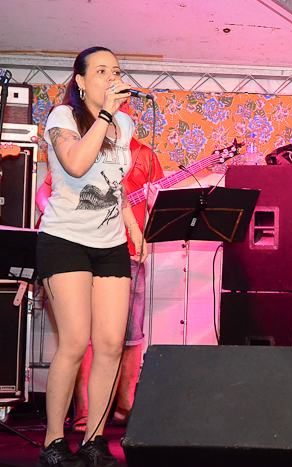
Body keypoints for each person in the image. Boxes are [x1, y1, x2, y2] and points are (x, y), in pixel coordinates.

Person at [36, 46, 144, 467]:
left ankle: (95, 441)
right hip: (65, 239)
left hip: (110, 243)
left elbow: (114, 183)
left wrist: (133, 226)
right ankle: (53, 443)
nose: (111, 77)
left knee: (112, 343)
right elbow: (78, 165)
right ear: (80, 81)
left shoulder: (125, 124)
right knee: (75, 340)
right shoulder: (62, 118)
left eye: (115, 70)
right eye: (101, 71)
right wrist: (104, 116)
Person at [36, 135, 163, 433]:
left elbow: (153, 201)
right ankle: (82, 412)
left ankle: (124, 408)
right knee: (79, 338)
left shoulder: (144, 154)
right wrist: (54, 215)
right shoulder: (82, 146)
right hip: (79, 249)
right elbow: (45, 192)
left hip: (127, 251)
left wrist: (148, 209)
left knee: (128, 336)